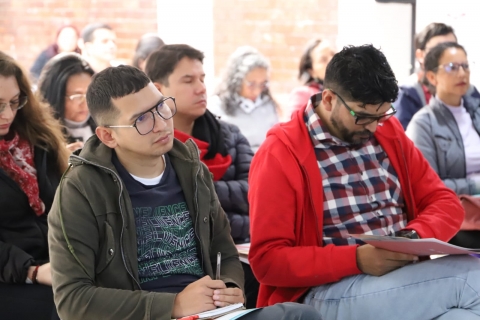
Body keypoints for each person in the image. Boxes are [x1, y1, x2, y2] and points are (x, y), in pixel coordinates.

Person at [47, 65, 321, 320]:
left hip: (210, 313)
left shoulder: (190, 167)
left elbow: (224, 251)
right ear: (108, 136)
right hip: (153, 314)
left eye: (160, 107)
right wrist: (174, 305)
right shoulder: (81, 188)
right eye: (141, 119)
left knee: (301, 315)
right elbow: (73, 301)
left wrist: (228, 286)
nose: (160, 123)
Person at [248, 44, 480, 319]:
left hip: (403, 279)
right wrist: (357, 259)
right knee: (470, 277)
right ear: (329, 99)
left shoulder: (387, 131)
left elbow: (444, 202)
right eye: (363, 116)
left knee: (462, 316)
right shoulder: (281, 152)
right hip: (324, 292)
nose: (372, 127)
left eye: (382, 115)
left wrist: (410, 237)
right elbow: (267, 261)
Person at [146, 45, 252, 244]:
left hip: (240, 247)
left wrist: (193, 188)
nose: (201, 88)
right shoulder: (148, 142)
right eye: (188, 81)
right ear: (158, 90)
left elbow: (255, 192)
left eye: (202, 79)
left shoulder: (230, 136)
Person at [0, 51, 69, 319]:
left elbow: (64, 210)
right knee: (60, 307)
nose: (8, 114)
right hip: (12, 275)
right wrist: (32, 272)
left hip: (55, 263)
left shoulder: (39, 142)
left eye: (14, 102)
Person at [406, 42, 480, 248]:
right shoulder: (423, 123)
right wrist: (475, 184)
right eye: (451, 67)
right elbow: (429, 187)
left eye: (465, 66)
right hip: (458, 213)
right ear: (431, 77)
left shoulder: (476, 112)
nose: (462, 73)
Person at [395, 22, 480, 129]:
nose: (448, 56)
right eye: (439, 50)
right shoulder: (407, 94)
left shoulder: (469, 91)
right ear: (420, 55)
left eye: (452, 48)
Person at [209, 46, 279, 152]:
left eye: (263, 84)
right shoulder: (216, 107)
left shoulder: (268, 106)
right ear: (237, 80)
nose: (257, 91)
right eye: (251, 84)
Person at [37, 53, 96, 152]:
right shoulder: (42, 136)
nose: (86, 103)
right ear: (56, 96)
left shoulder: (104, 127)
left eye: (90, 94)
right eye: (77, 96)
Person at [288, 39, 335, 115]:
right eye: (323, 60)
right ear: (312, 72)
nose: (332, 60)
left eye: (334, 54)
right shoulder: (302, 95)